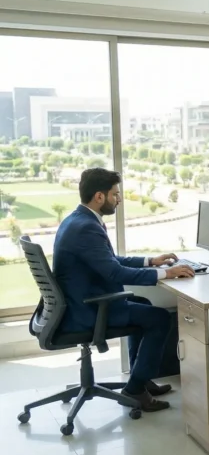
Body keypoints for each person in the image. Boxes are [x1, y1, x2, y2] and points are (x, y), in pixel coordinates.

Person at [51, 168, 195, 412]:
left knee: (145, 305)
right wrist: (167, 273)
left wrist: (151, 261)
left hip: (81, 301)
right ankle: (136, 389)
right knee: (159, 319)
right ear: (99, 196)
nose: (119, 199)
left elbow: (109, 261)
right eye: (115, 194)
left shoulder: (77, 219)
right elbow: (115, 273)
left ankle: (140, 378)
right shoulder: (86, 228)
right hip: (88, 309)